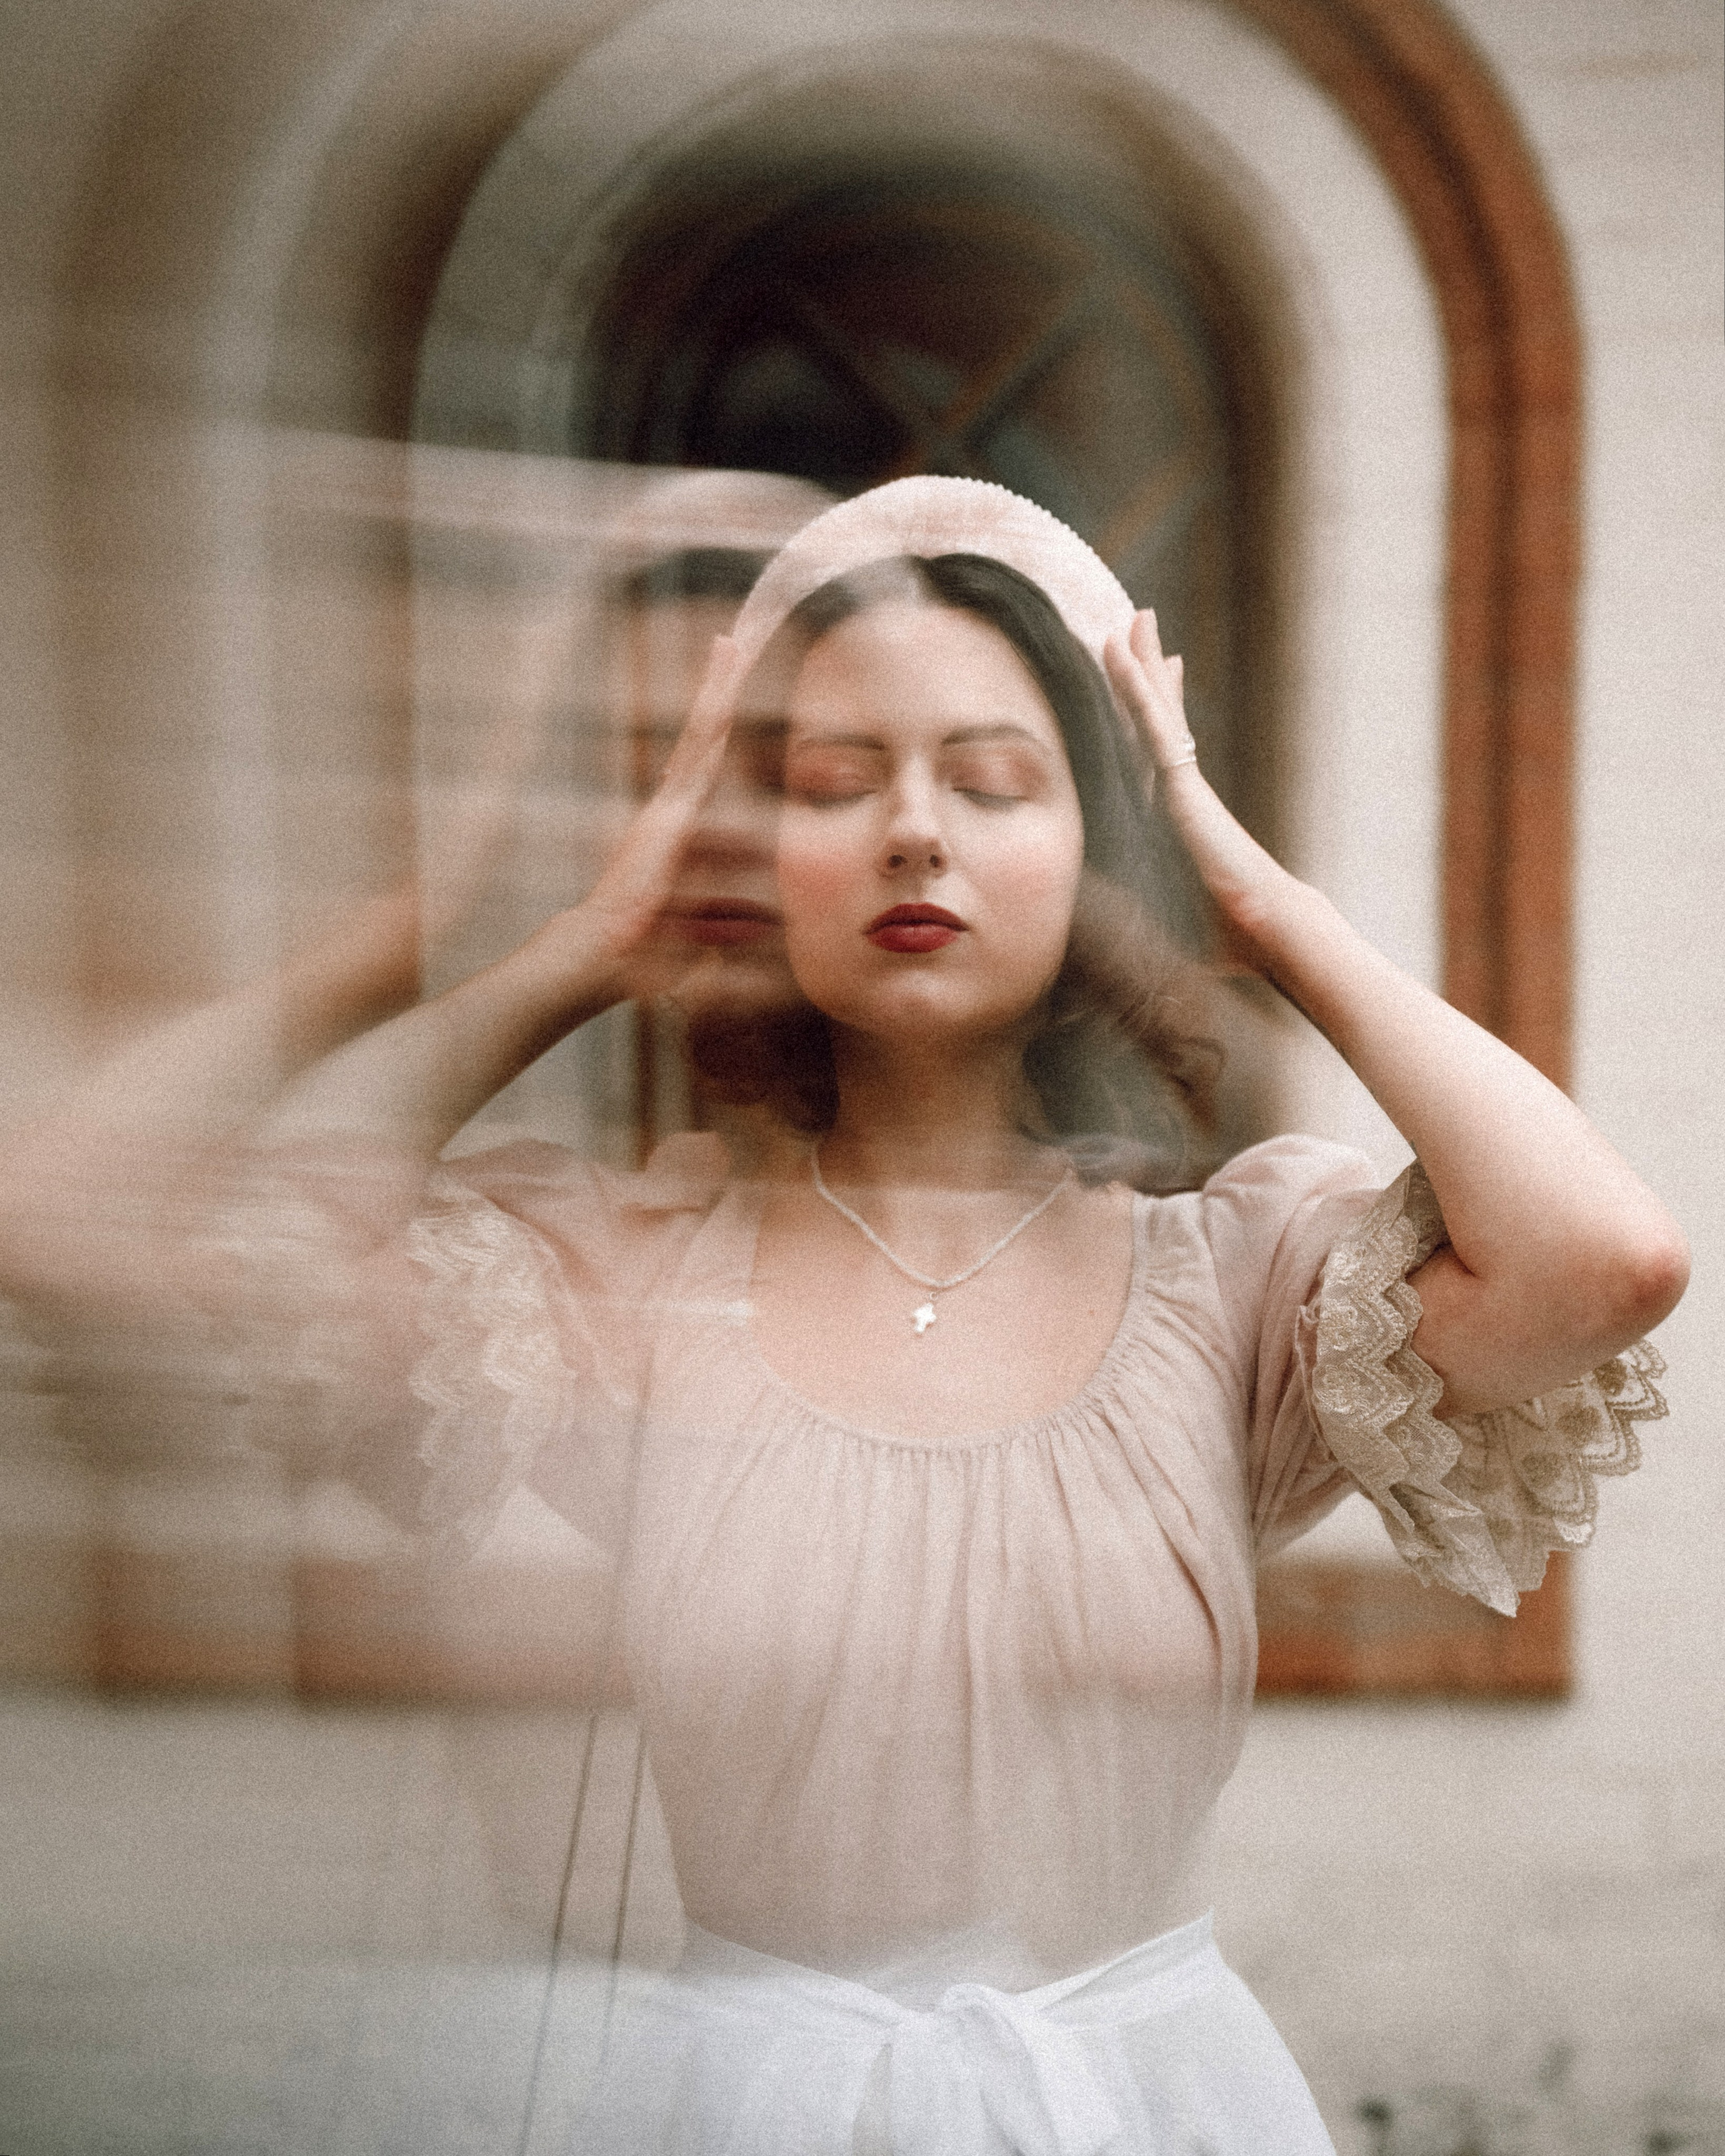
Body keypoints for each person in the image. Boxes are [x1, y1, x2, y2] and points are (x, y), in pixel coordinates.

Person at [0, 478, 1686, 2152]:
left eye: (992, 780)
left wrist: (1254, 899)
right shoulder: (627, 1282)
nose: (911, 830)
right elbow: (69, 1225)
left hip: (1148, 2109)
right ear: (748, 852)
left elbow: (1602, 1261)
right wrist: (516, 939)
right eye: (830, 781)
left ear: (1092, 848)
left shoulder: (1234, 1286)